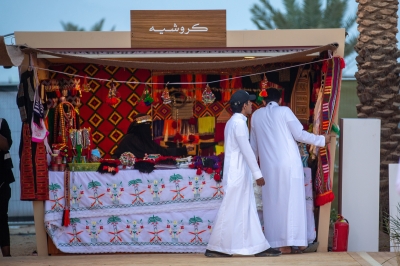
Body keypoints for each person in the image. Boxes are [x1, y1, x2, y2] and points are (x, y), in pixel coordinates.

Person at [250, 88, 331, 254]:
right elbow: (299, 134)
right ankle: (299, 243)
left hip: (268, 168)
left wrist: (252, 170)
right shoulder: (284, 111)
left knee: (273, 205)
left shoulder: (256, 116)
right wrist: (321, 139)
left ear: (263, 101)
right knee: (293, 202)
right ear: (280, 100)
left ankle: (280, 244)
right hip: (289, 164)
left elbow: (253, 147)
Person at [205, 90, 281, 257]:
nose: (252, 105)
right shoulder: (239, 124)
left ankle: (258, 246)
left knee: (246, 210)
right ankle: (215, 247)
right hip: (238, 174)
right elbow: (246, 151)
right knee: (230, 209)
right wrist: (258, 174)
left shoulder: (235, 122)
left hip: (239, 172)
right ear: (243, 105)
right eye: (249, 102)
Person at [113, 114, 188, 159]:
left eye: (149, 126)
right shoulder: (128, 140)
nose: (149, 129)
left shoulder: (147, 141)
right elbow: (116, 158)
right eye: (146, 127)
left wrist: (183, 149)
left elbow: (163, 152)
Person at [0, 118, 15, 257]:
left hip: (2, 180)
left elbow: (5, 146)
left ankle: (7, 256)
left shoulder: (2, 123)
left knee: (2, 218)